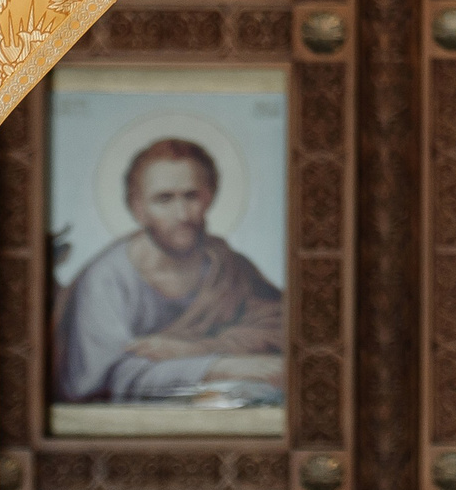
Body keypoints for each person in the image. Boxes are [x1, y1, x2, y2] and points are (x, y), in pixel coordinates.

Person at [54, 138, 285, 405]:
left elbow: (281, 328)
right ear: (138, 208)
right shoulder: (107, 280)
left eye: (191, 196)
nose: (182, 214)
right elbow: (110, 378)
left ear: (209, 197)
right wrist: (220, 366)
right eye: (164, 199)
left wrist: (194, 350)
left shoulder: (229, 266)